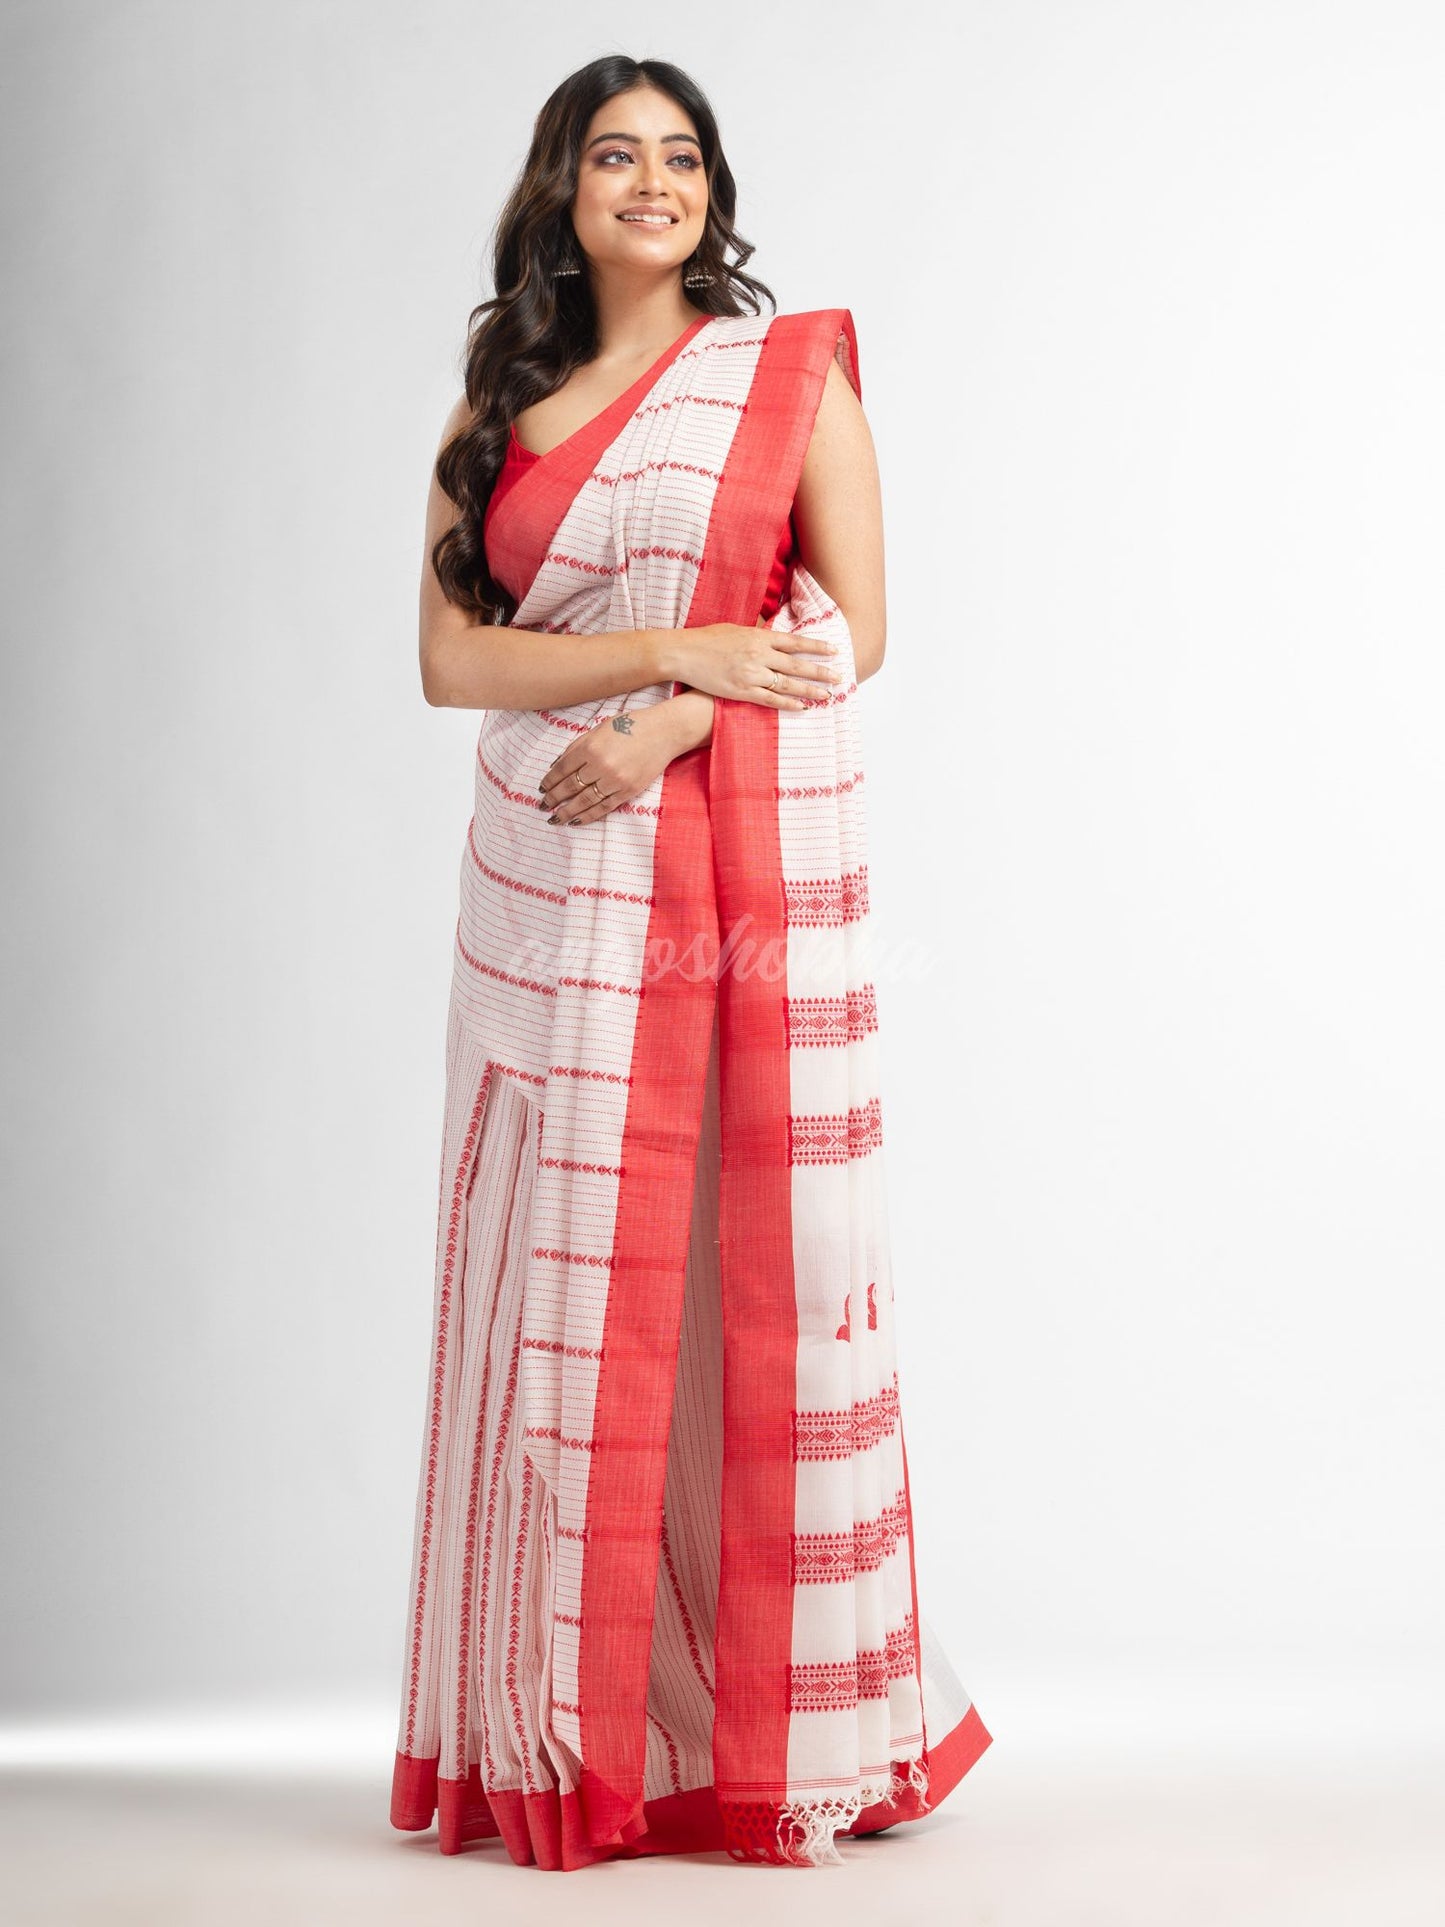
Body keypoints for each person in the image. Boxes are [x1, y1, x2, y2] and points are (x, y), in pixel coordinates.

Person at [388, 52, 992, 1872]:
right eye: (612, 155)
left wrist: (670, 718)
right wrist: (670, 654)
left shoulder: (782, 378)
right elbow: (455, 662)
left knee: (753, 1255)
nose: (649, 181)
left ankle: (786, 1723)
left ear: (712, 190)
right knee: (554, 1272)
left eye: (679, 155)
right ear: (560, 190)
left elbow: (842, 633)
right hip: (543, 886)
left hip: (715, 872)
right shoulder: (496, 399)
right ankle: (566, 1723)